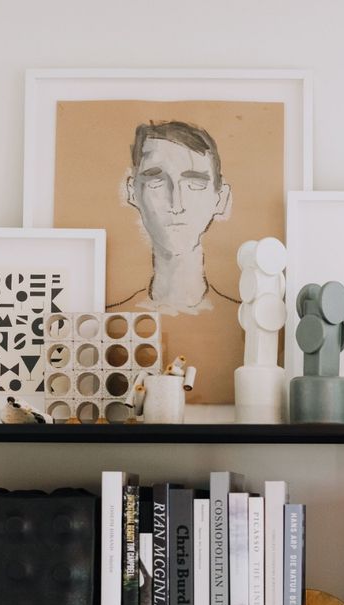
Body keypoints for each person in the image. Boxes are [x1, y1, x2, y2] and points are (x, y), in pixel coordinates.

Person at [109, 120, 242, 404]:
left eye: (194, 182)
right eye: (156, 179)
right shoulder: (108, 323)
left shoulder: (245, 320)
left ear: (221, 198)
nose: (176, 201)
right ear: (133, 192)